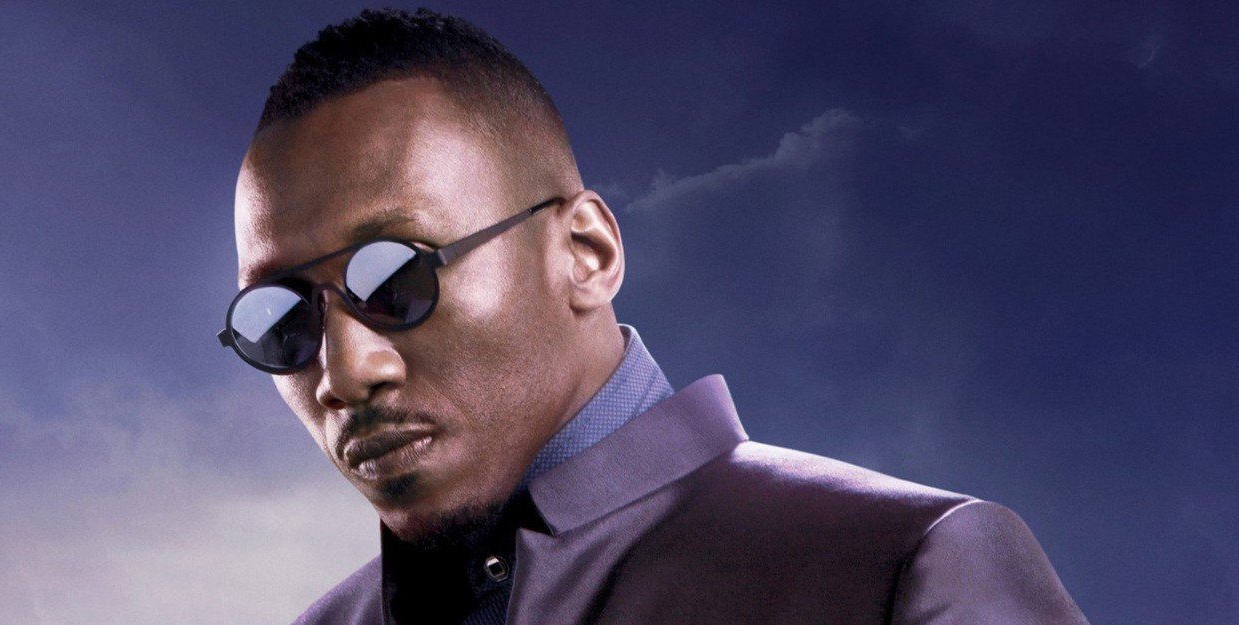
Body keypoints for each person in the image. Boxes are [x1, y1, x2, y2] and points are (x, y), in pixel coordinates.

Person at [218, 8, 1090, 625]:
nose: (345, 372)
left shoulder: (899, 565)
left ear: (587, 253)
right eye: (281, 319)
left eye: (397, 276)